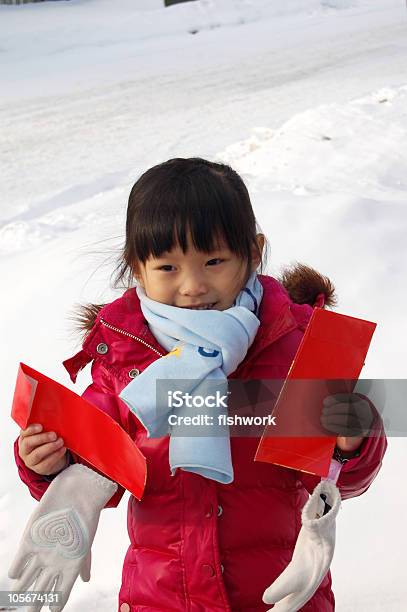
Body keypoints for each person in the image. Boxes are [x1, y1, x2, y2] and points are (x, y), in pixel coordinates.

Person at [14, 158, 387, 612]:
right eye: (168, 267)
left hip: (279, 593)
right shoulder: (125, 360)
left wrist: (352, 443)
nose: (192, 286)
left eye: (213, 261)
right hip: (163, 596)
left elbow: (338, 479)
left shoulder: (298, 346)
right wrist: (49, 463)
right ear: (137, 267)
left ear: (252, 252)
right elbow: (97, 468)